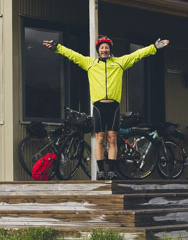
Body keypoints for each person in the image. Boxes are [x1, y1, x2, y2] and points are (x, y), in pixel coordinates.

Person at [41, 35, 169, 179]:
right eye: (102, 47)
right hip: (98, 107)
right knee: (100, 138)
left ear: (110, 50)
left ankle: (112, 170)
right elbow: (73, 55)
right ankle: (101, 171)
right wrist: (57, 48)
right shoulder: (90, 63)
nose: (104, 50)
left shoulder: (119, 63)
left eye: (107, 47)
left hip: (113, 107)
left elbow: (137, 55)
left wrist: (154, 47)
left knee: (112, 138)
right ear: (98, 50)